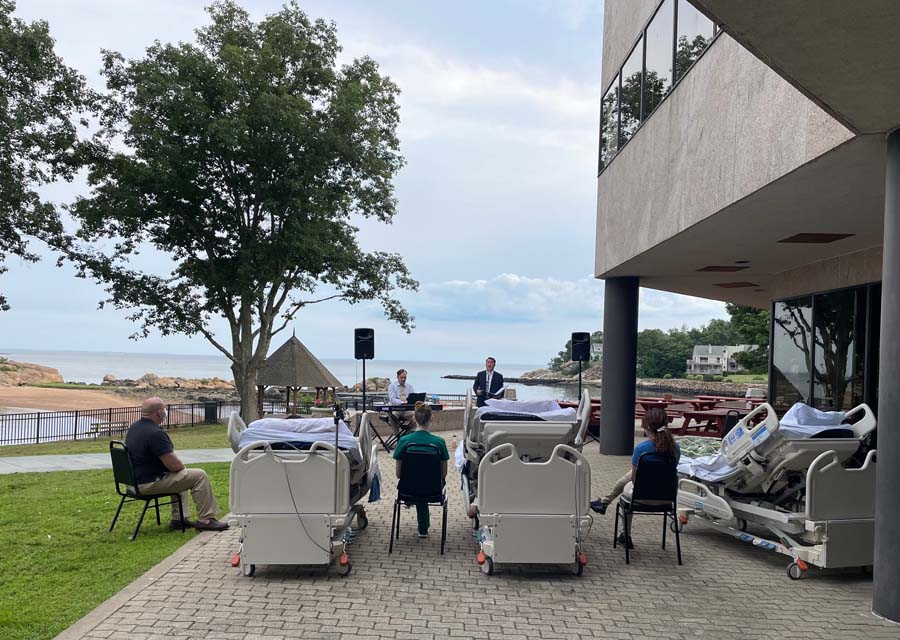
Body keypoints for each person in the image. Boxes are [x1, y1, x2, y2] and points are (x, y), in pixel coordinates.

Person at [124, 397, 229, 531]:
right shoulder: (155, 433)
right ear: (160, 413)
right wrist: (181, 468)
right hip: (146, 484)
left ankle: (179, 519)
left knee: (181, 476)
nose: (165, 412)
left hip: (134, 482)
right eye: (164, 410)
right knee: (198, 475)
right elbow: (174, 465)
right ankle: (207, 520)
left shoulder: (135, 428)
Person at [589, 407, 680, 548]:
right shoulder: (676, 448)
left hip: (642, 497)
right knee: (631, 476)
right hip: (667, 498)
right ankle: (604, 502)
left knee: (627, 489)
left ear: (646, 426)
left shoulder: (641, 449)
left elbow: (634, 479)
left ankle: (626, 535)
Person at [393, 401, 449, 538]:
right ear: (432, 419)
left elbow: (398, 474)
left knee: (417, 482)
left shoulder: (404, 441)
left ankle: (412, 504)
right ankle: (423, 527)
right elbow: (443, 473)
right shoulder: (439, 443)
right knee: (425, 482)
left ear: (414, 418)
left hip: (407, 489)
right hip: (433, 489)